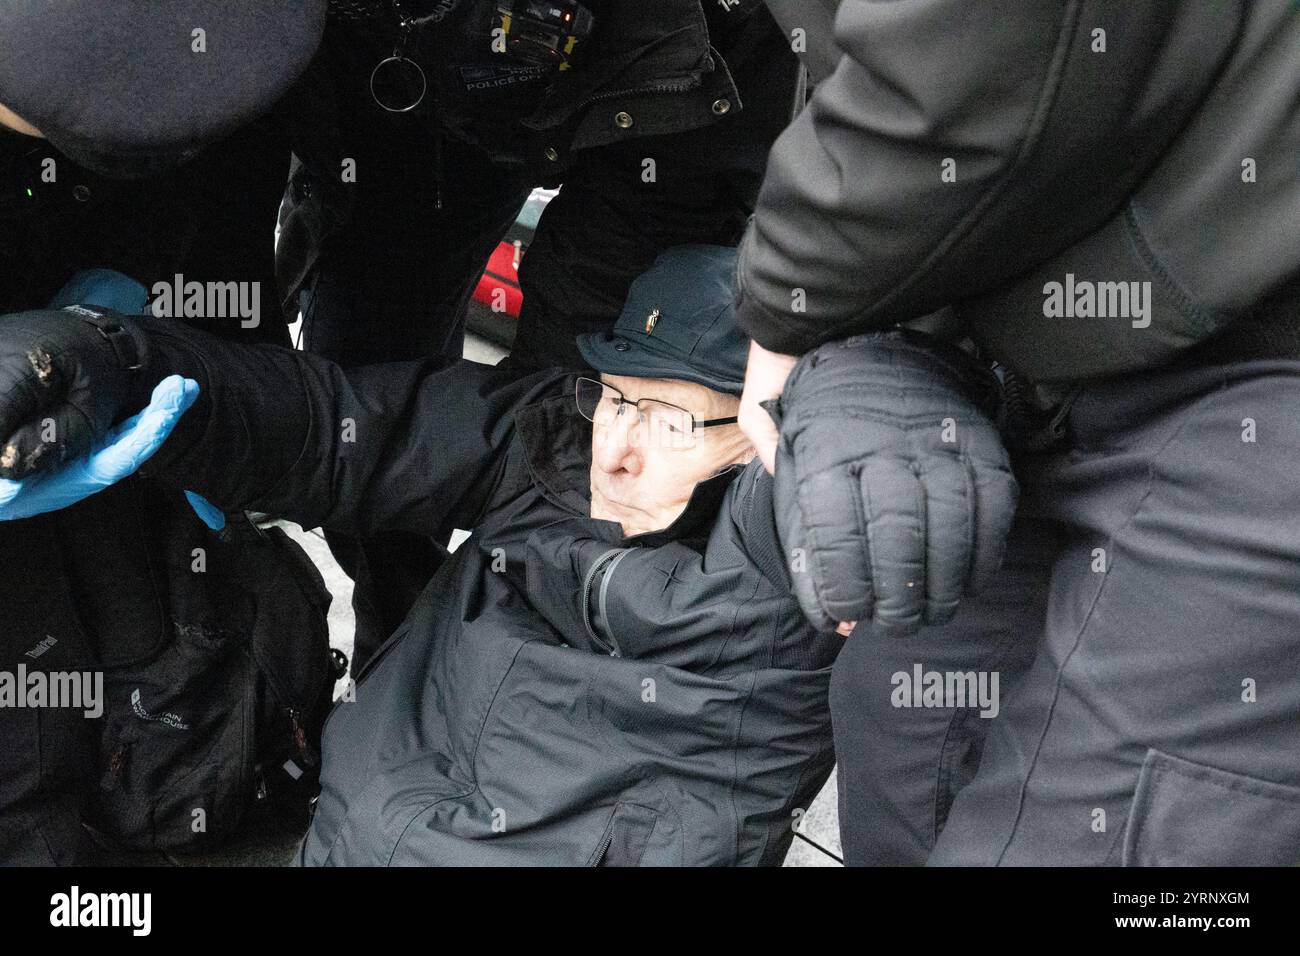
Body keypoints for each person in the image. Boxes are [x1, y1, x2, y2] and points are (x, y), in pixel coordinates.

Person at [0, 245, 840, 865]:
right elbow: (334, 429)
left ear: (767, 438)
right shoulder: (555, 437)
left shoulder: (789, 570)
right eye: (618, 400)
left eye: (669, 421)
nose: (617, 449)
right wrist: (117, 360)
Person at [733, 0, 1300, 864]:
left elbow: (985, 48)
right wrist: (883, 347)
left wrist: (793, 307)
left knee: (1134, 825)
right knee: (904, 730)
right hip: (1037, 346)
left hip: (1256, 354)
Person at [280, 0, 805, 675]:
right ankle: (400, 670)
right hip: (396, 113)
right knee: (360, 400)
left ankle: (517, 693)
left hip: (664, 110)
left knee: (571, 445)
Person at [0, 1, 329, 864]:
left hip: (138, 347)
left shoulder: (227, 83)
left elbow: (224, 258)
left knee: (164, 616)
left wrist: (163, 352)